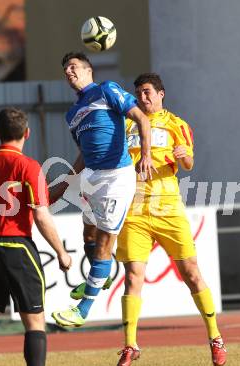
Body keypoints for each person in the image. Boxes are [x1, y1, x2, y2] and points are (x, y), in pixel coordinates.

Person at [114, 73, 227, 366]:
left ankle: (215, 337)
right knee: (133, 276)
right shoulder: (126, 125)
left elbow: (188, 163)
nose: (143, 97)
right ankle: (130, 344)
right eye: (138, 93)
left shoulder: (178, 125)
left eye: (148, 92)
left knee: (191, 273)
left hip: (168, 208)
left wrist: (183, 156)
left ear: (161, 94)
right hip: (135, 210)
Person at [51, 52, 154, 327]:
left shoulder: (107, 90)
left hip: (116, 178)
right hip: (92, 178)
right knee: (88, 232)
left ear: (88, 70)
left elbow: (141, 119)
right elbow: (83, 154)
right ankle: (103, 275)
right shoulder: (72, 114)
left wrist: (145, 155)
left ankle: (82, 311)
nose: (68, 72)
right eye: (65, 69)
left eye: (73, 67)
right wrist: (63, 185)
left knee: (105, 245)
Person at [0, 108, 72, 366]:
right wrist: (61, 251)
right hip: (16, 245)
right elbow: (40, 214)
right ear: (27, 133)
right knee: (35, 320)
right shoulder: (29, 166)